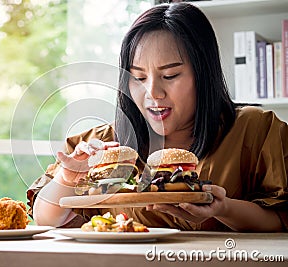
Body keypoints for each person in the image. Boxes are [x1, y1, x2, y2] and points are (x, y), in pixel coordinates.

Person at [28, 2, 288, 232]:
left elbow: (281, 218)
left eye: (170, 76)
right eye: (138, 78)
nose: (152, 92)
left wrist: (224, 208)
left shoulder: (256, 129)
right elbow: (46, 219)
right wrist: (67, 178)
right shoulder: (103, 144)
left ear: (203, 74)